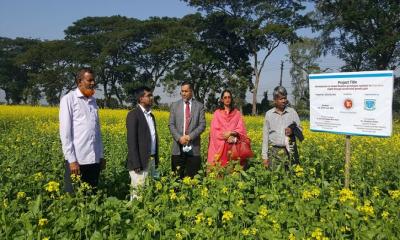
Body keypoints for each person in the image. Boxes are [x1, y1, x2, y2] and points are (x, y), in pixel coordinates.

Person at [60, 68, 105, 193]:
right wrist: (72, 160)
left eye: (93, 80)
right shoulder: (69, 99)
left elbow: (97, 131)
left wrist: (101, 155)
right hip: (78, 160)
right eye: (89, 80)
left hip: (94, 159)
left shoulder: (93, 101)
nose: (93, 83)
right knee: (74, 197)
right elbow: (65, 133)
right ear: (79, 81)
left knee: (92, 196)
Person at [126, 86, 159, 200]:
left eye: (151, 95)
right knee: (138, 195)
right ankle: (135, 217)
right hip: (139, 162)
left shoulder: (151, 116)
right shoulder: (133, 115)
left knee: (149, 193)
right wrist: (136, 163)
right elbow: (131, 141)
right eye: (148, 95)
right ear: (140, 99)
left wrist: (156, 159)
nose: (151, 97)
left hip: (151, 159)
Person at [169, 81, 206, 179]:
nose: (183, 93)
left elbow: (202, 125)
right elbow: (171, 124)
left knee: (193, 178)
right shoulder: (174, 105)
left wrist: (190, 136)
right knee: (176, 179)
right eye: (182, 91)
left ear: (191, 92)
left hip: (193, 148)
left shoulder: (199, 106)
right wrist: (179, 138)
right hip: (178, 147)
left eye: (186, 91)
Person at [262, 86, 302, 170]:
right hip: (274, 152)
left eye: (285, 98)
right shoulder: (269, 114)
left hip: (289, 151)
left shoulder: (292, 112)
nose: (284, 101)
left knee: (290, 177)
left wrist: (292, 130)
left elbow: (300, 128)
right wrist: (264, 156)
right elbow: (265, 137)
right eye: (281, 99)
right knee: (275, 178)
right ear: (275, 100)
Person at [207, 90, 251, 168]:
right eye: (225, 97)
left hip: (234, 146)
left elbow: (241, 130)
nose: (227, 99)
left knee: (233, 172)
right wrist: (225, 136)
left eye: (229, 97)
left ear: (231, 99)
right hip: (221, 148)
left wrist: (232, 133)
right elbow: (214, 131)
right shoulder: (217, 113)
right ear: (222, 100)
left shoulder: (237, 113)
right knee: (220, 171)